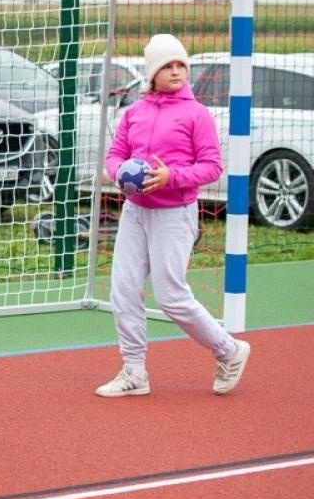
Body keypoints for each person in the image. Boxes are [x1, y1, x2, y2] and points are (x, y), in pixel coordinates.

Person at [94, 33, 250, 398]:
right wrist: (120, 175)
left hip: (175, 215)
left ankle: (229, 350)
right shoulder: (135, 112)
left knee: (171, 297)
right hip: (135, 213)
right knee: (123, 291)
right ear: (152, 73)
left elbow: (212, 167)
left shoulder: (196, 114)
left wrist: (171, 177)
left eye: (181, 65)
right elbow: (114, 156)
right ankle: (134, 372)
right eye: (168, 66)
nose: (177, 71)